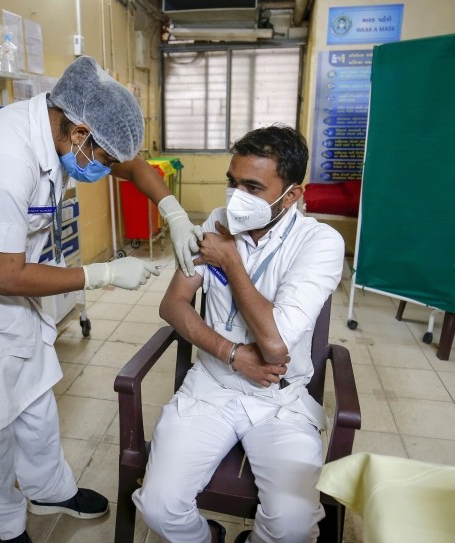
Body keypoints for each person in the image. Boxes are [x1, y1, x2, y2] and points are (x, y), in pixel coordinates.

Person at [0, 55, 197, 543]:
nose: (109, 169)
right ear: (80, 133)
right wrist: (102, 272)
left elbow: (128, 162)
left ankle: (49, 488)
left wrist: (171, 209)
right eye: (104, 159)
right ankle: (5, 524)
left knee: (33, 392)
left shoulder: (64, 132)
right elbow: (5, 276)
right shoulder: (4, 155)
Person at [132, 125, 345, 543]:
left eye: (253, 187)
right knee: (158, 507)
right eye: (233, 183)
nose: (236, 198)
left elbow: (274, 344)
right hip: (211, 386)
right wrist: (230, 353)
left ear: (292, 196)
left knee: (292, 528)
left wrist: (231, 261)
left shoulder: (319, 243)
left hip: (278, 399)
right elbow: (173, 304)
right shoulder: (217, 222)